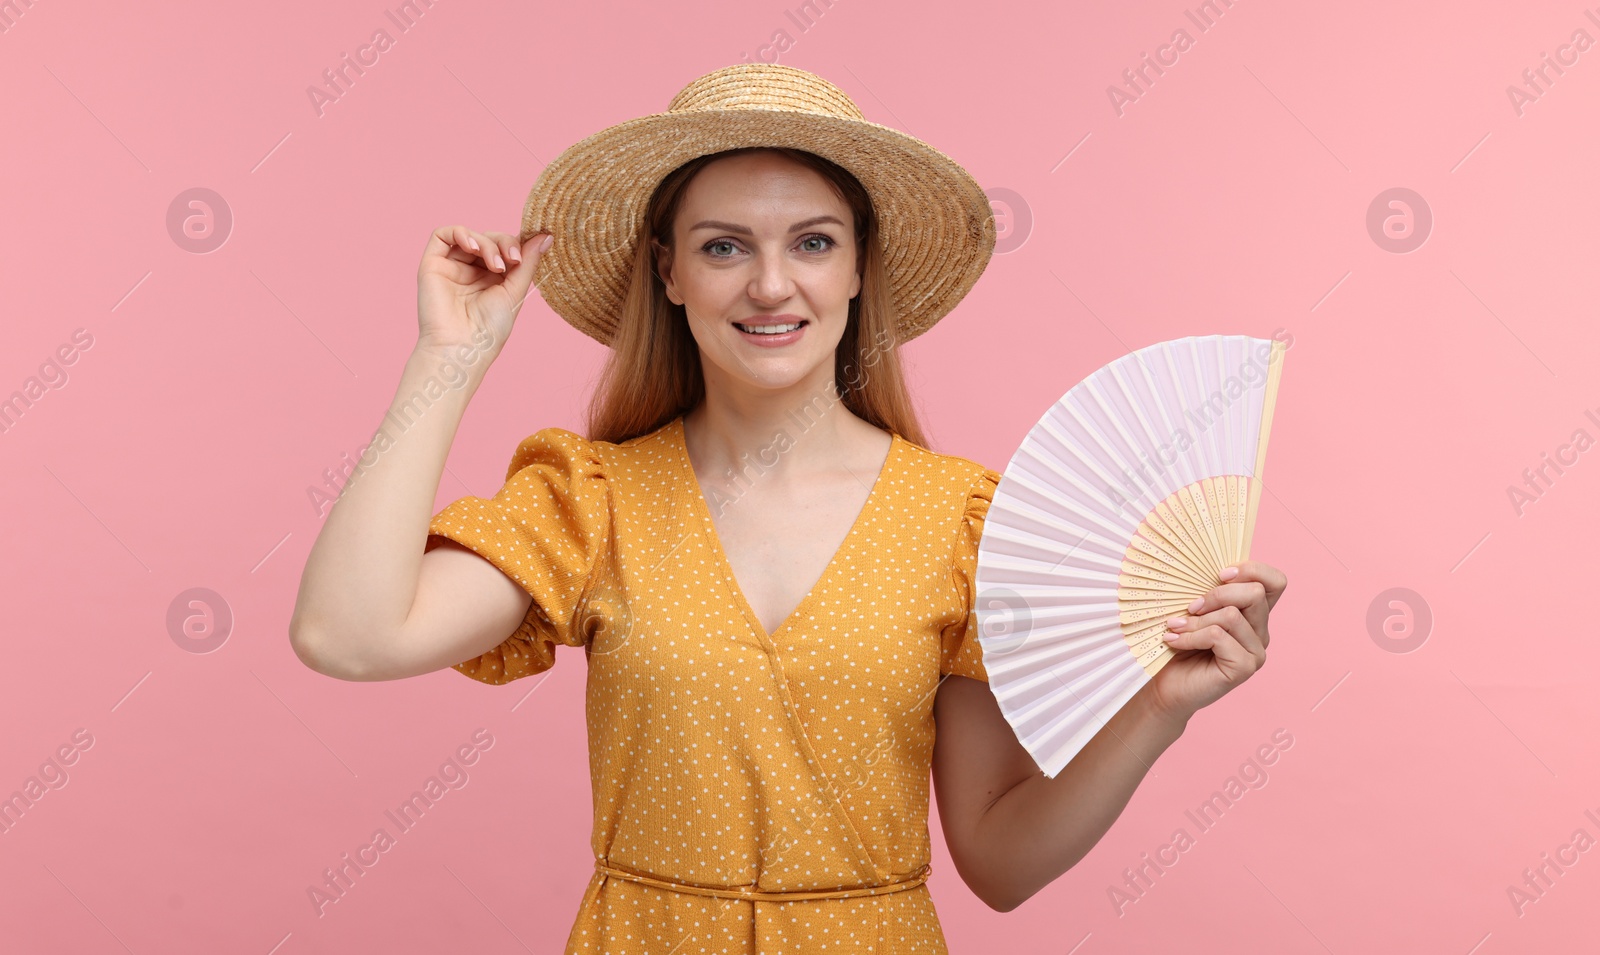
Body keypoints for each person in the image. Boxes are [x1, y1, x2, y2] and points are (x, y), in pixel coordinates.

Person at [289, 63, 1288, 953]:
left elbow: (1000, 860)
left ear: (860, 267)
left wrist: (1160, 709)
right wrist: (448, 359)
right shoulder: (590, 500)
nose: (771, 284)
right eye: (723, 247)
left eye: (812, 241)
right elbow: (348, 631)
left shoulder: (967, 520)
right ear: (668, 272)